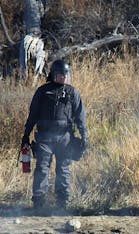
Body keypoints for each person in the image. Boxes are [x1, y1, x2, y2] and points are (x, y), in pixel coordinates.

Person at [21, 59, 88, 210]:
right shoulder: (42, 91)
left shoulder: (72, 93)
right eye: (60, 74)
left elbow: (80, 117)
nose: (64, 77)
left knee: (63, 170)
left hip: (65, 137)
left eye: (66, 74)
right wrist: (26, 135)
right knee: (42, 169)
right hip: (44, 138)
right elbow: (33, 115)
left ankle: (61, 205)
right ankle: (39, 204)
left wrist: (85, 136)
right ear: (53, 75)